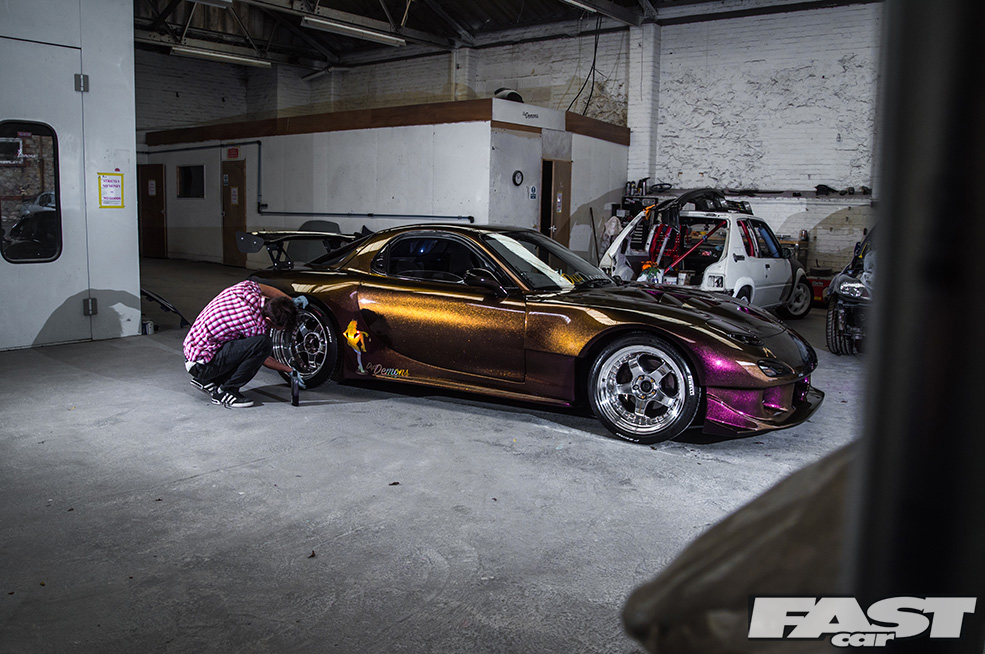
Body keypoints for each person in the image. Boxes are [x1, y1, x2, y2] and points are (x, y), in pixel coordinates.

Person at [183, 280, 301, 408]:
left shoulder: (245, 290)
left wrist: (290, 300)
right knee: (263, 344)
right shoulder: (253, 325)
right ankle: (226, 391)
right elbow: (264, 359)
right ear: (268, 321)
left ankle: (205, 380)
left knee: (242, 340)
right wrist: (289, 370)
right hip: (201, 365)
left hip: (194, 351)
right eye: (279, 328)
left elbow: (264, 288)